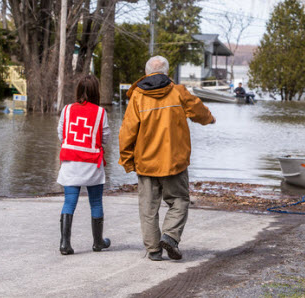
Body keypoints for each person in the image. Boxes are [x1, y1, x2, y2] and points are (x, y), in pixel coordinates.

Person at [119, 56, 215, 261]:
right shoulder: (178, 92)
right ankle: (170, 235)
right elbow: (199, 110)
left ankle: (153, 250)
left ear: (147, 73)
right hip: (174, 161)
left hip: (145, 162)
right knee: (179, 201)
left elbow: (127, 131)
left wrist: (128, 160)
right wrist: (210, 118)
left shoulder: (137, 96)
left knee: (148, 208)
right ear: (166, 72)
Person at [57, 74, 111, 255]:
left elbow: (61, 133)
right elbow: (105, 138)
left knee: (69, 202)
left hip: (70, 162)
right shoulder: (100, 112)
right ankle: (98, 243)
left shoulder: (66, 109)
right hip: (91, 165)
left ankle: (65, 244)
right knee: (95, 202)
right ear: (96, 92)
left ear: (78, 90)